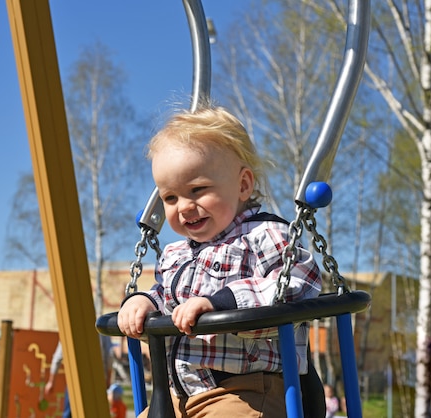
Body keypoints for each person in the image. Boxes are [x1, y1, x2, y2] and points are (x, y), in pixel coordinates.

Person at [117, 106, 322, 417]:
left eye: (197, 190)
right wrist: (145, 301)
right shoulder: (176, 254)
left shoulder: (264, 235)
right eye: (170, 197)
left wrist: (222, 303)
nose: (183, 207)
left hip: (248, 391)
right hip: (178, 395)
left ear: (242, 185)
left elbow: (299, 284)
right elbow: (166, 296)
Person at [45, 335, 114, 417]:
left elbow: (58, 357)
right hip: (96, 380)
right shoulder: (99, 329)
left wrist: (51, 381)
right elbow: (109, 355)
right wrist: (108, 379)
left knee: (69, 412)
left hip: (75, 379)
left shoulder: (68, 329)